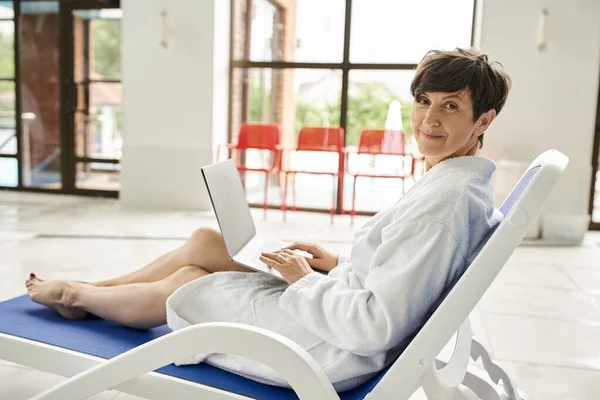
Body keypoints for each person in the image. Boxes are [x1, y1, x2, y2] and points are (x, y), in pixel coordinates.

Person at [25, 47, 511, 391]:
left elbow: (373, 327)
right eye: (424, 101)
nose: (430, 119)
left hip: (328, 346)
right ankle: (100, 289)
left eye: (451, 107)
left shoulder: (445, 206)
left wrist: (302, 280)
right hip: (334, 301)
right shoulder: (453, 185)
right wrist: (333, 262)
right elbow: (400, 274)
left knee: (191, 280)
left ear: (483, 120)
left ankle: (78, 296)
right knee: (206, 241)